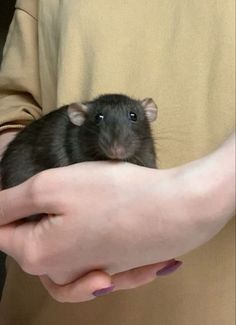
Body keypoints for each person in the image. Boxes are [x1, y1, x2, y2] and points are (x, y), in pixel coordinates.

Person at [0, 0, 235, 324]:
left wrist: (207, 191)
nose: (117, 142)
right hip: (46, 302)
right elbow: (14, 103)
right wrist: (24, 221)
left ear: (147, 115)